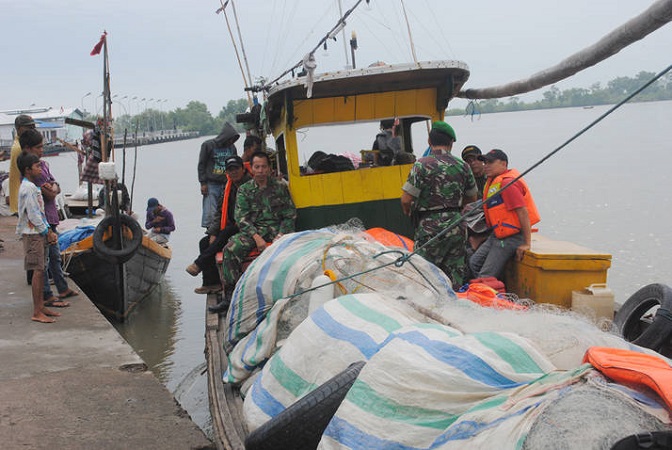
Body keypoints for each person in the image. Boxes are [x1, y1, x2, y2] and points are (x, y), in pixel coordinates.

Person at [211, 151, 296, 313]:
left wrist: (281, 235)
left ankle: (289, 290)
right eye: (257, 167)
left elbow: (290, 214)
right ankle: (232, 296)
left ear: (269, 169)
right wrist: (256, 237)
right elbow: (241, 219)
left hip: (277, 231)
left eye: (264, 166)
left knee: (290, 248)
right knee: (230, 249)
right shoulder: (244, 190)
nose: (261, 170)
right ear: (252, 168)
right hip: (254, 231)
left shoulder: (280, 187)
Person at [400, 121, 477, 287]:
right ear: (451, 143)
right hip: (457, 224)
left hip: (429, 225)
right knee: (454, 273)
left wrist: (410, 213)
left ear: (429, 141)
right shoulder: (463, 166)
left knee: (424, 272)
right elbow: (472, 198)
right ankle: (452, 304)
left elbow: (406, 199)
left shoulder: (421, 164)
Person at [21, 129, 78, 305]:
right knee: (42, 263)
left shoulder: (43, 166)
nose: (42, 150)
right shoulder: (32, 177)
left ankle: (61, 288)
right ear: (28, 149)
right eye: (38, 147)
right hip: (41, 223)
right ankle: (46, 296)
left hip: (51, 217)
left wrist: (53, 188)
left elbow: (56, 187)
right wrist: (52, 189)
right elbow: (50, 194)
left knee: (55, 256)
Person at [469, 149, 541, 281]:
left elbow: (523, 212)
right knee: (474, 263)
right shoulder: (493, 183)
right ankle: (488, 289)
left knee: (485, 276)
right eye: (485, 162)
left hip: (511, 237)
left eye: (490, 162)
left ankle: (487, 294)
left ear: (503, 164)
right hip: (497, 235)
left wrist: (526, 243)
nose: (486, 165)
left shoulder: (508, 184)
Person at [186, 155, 252, 294]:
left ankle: (199, 264)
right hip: (232, 225)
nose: (233, 172)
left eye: (236, 169)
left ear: (243, 169)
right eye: (230, 170)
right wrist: (212, 232)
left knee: (226, 233)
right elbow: (219, 211)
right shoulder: (228, 186)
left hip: (247, 225)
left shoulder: (250, 185)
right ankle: (211, 283)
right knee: (205, 242)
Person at [16, 152, 61, 323]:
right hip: (33, 234)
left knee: (42, 270)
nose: (40, 169)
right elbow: (34, 215)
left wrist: (48, 228)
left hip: (38, 232)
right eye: (37, 167)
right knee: (38, 271)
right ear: (28, 170)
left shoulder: (33, 187)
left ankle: (41, 306)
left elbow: (40, 213)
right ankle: (37, 311)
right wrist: (46, 232)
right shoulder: (28, 189)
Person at [198, 122, 240, 228]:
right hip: (212, 183)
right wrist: (203, 183)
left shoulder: (232, 148)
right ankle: (210, 231)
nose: (231, 141)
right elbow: (201, 164)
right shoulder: (208, 145)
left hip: (228, 183)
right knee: (211, 212)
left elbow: (236, 163)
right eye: (230, 139)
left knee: (227, 209)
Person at [9, 115, 36, 214]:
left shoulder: (21, 143)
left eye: (33, 127)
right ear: (19, 129)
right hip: (22, 196)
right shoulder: (19, 147)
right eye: (29, 127)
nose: (32, 130)